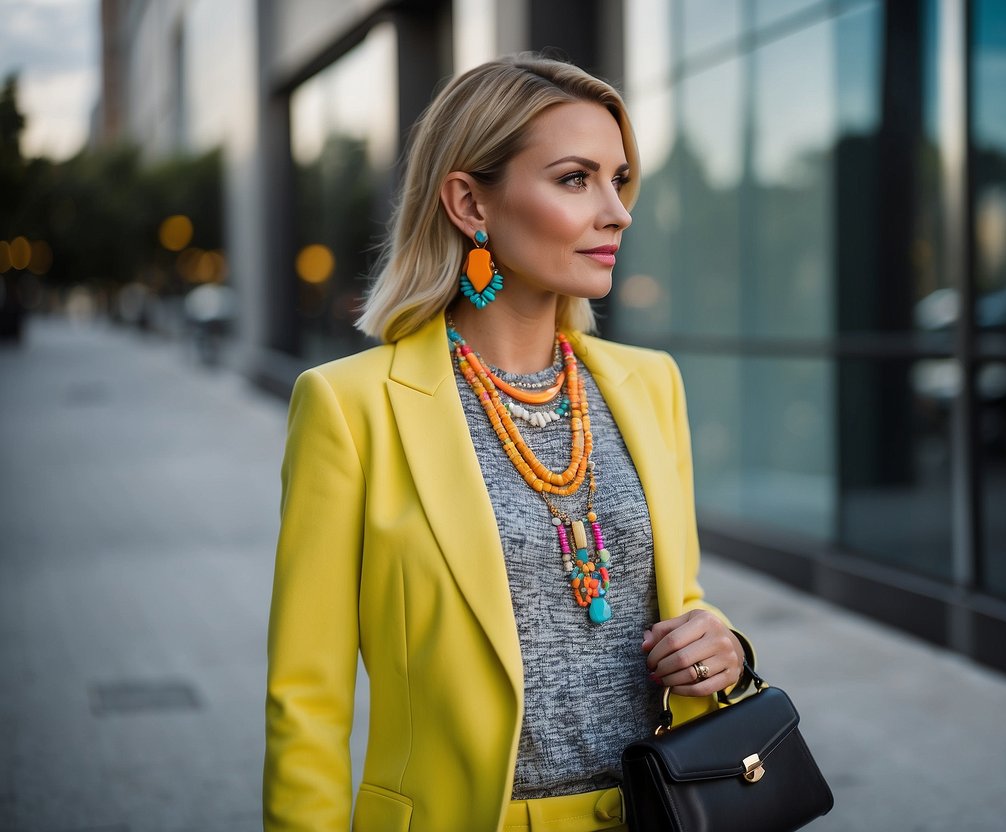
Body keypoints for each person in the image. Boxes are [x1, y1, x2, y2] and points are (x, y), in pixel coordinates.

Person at [263, 54, 753, 832]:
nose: (617, 210)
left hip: (660, 813)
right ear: (469, 202)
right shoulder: (348, 409)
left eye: (618, 179)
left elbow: (676, 605)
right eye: (573, 179)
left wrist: (720, 647)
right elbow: (307, 701)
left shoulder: (648, 385)